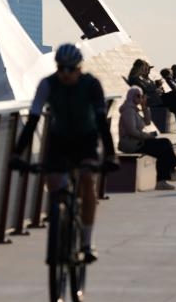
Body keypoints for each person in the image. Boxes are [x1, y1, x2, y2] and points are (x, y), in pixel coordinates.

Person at [11, 43, 107, 263]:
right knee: (53, 181)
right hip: (60, 139)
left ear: (79, 68)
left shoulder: (91, 85)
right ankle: (59, 217)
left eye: (70, 69)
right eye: (61, 68)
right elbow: (32, 121)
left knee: (86, 180)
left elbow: (102, 122)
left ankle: (86, 242)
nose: (65, 73)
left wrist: (109, 155)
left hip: (86, 139)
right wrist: (17, 153)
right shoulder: (47, 84)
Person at [117, 86, 176, 190]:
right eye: (138, 96)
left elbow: (147, 122)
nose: (140, 98)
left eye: (141, 96)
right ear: (130, 96)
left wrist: (145, 107)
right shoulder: (128, 111)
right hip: (131, 144)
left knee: (164, 144)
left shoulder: (134, 110)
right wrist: (147, 136)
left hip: (137, 141)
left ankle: (166, 176)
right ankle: (167, 176)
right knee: (163, 145)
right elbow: (131, 131)